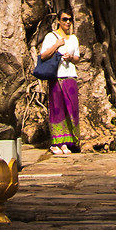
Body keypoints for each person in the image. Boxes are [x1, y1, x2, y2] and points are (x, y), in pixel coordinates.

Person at [37, 11, 80, 154]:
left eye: (70, 19)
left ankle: (67, 142)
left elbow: (77, 58)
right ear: (59, 21)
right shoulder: (51, 36)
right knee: (57, 109)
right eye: (64, 19)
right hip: (57, 77)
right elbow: (43, 55)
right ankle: (56, 142)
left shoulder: (73, 38)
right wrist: (57, 45)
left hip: (70, 76)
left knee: (71, 109)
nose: (67, 22)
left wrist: (70, 58)